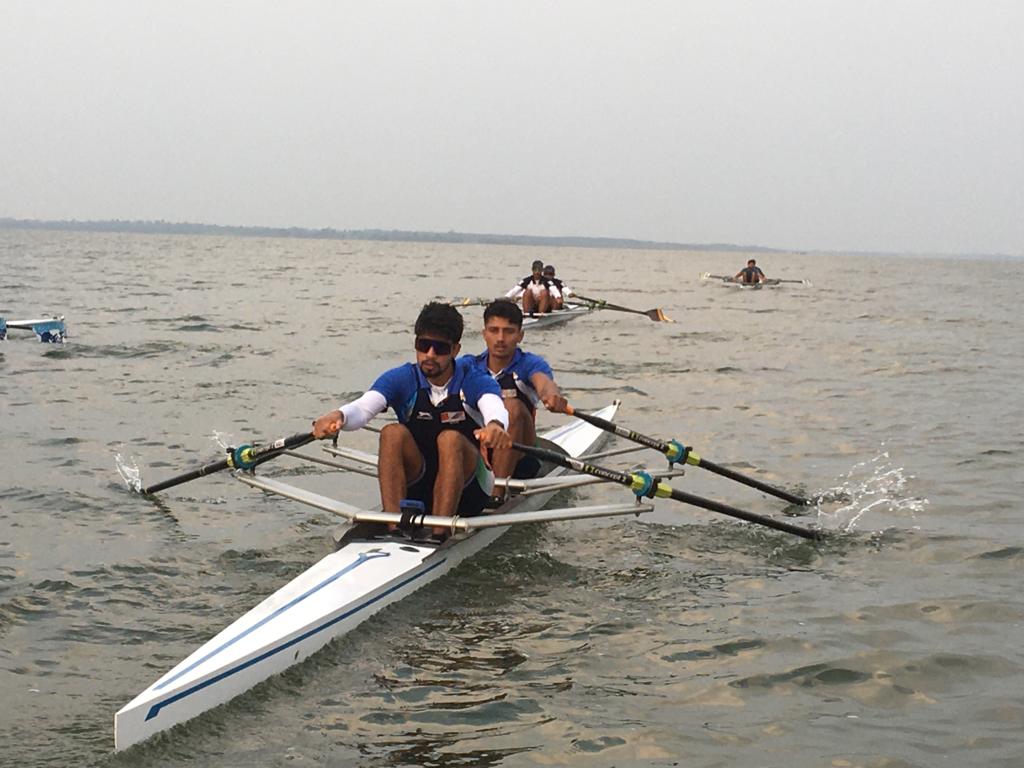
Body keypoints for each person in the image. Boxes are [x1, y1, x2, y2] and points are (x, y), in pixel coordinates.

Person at [312, 302, 512, 540]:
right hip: (419, 482)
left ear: (455, 350)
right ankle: (395, 528)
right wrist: (339, 416)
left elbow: (494, 406)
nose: (429, 354)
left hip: (471, 491)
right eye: (423, 345)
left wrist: (495, 426)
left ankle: (440, 534)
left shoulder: (473, 379)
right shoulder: (402, 378)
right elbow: (363, 407)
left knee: (449, 439)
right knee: (391, 433)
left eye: (439, 348)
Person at [462, 299, 568, 489]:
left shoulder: (530, 364)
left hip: (522, 457)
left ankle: (497, 491)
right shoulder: (469, 365)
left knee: (511, 407)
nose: (500, 338)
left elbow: (544, 383)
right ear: (484, 334)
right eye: (494, 330)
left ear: (520, 335)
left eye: (508, 331)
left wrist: (551, 396)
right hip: (479, 451)